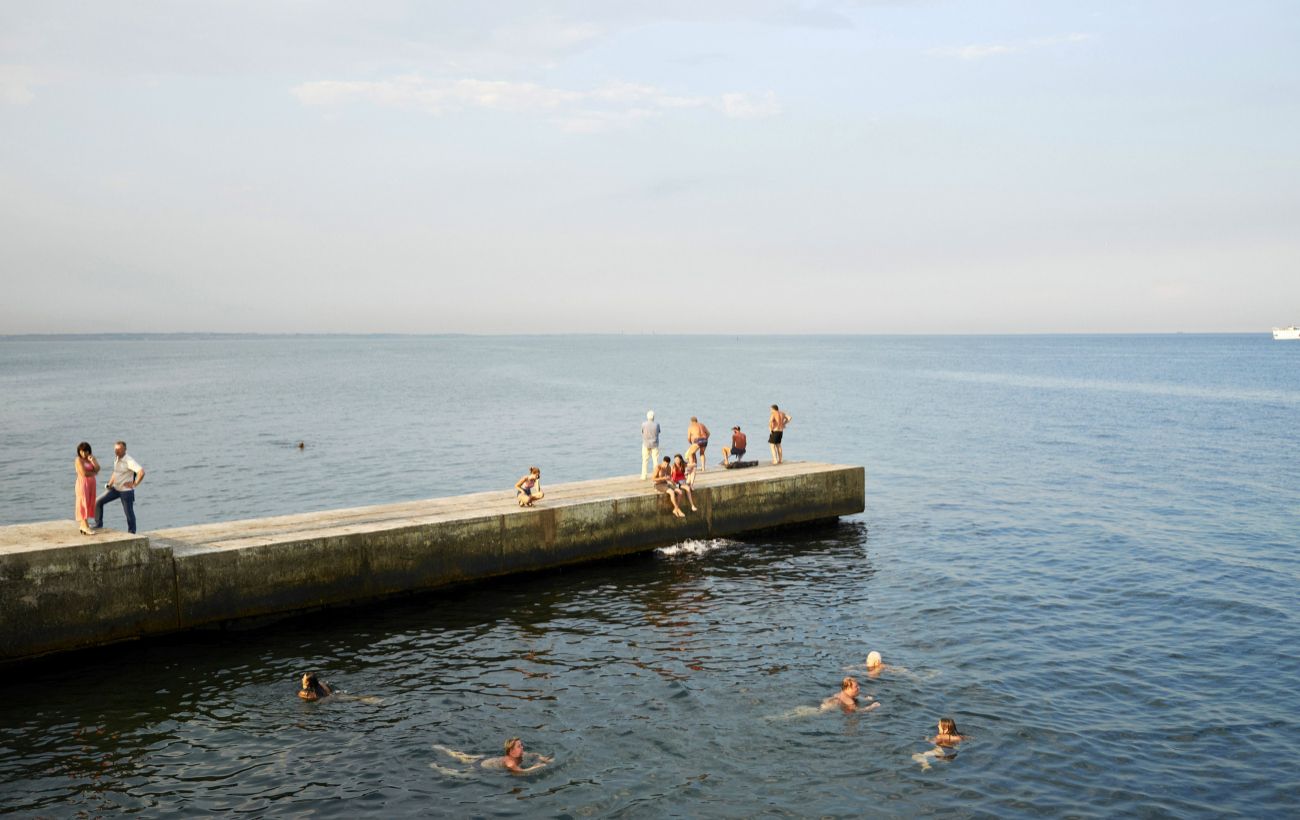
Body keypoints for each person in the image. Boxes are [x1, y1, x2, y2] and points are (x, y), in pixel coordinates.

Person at [94, 441, 145, 533]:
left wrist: (134, 484)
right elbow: (115, 472)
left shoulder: (129, 461)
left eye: (119, 449)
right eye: (115, 449)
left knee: (128, 513)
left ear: (125, 450)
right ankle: (98, 525)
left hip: (126, 491)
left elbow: (141, 472)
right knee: (98, 501)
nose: (117, 451)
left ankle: (132, 532)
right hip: (115, 489)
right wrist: (109, 484)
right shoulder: (117, 458)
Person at [74, 442, 100, 535]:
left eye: (85, 451)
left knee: (89, 503)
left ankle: (83, 525)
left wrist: (93, 460)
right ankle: (86, 526)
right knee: (83, 503)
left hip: (91, 485)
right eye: (81, 451)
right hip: (82, 484)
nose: (84, 453)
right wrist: (94, 473)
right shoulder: (78, 460)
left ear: (89, 451)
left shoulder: (90, 459)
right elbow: (84, 473)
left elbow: (98, 468)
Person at [640, 410, 661, 480]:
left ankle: (644, 476)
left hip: (646, 444)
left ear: (647, 417)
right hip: (655, 444)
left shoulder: (643, 424)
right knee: (655, 460)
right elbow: (659, 432)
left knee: (645, 460)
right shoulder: (657, 424)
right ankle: (656, 474)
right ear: (653, 417)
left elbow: (642, 432)